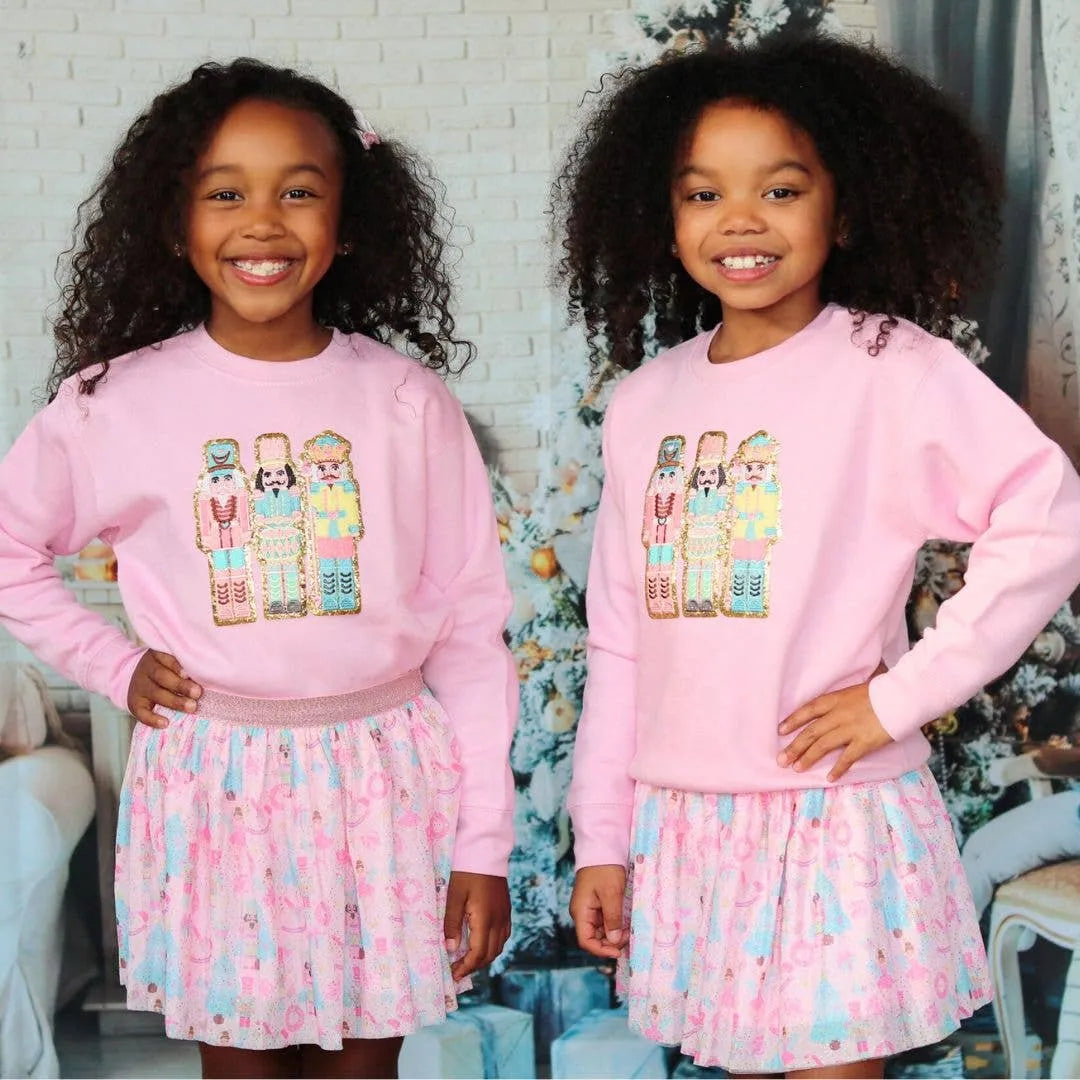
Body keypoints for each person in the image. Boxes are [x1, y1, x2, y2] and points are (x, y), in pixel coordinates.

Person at [555, 33, 1080, 1080]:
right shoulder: (646, 403)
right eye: (704, 194)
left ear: (843, 210)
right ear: (666, 217)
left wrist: (899, 698)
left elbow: (1049, 517)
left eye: (781, 190)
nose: (741, 220)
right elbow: (618, 639)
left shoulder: (892, 370)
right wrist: (603, 837)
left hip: (832, 816)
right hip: (687, 823)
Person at [0, 58, 517, 1080]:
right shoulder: (114, 404)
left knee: (365, 1066)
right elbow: (11, 551)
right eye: (225, 193)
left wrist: (483, 846)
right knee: (242, 1066)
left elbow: (469, 629)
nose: (263, 223)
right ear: (174, 220)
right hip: (216, 785)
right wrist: (114, 666)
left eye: (300, 191)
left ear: (350, 221)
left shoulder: (407, 403)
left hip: (383, 780)